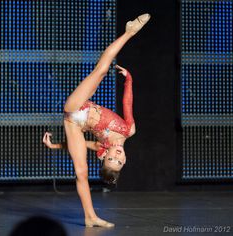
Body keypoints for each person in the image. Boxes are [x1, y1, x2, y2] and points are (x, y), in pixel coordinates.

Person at [43, 13, 151, 227]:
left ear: (105, 157)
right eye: (120, 162)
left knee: (81, 173)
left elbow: (84, 144)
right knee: (101, 71)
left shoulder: (103, 147)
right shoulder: (128, 130)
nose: (117, 158)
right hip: (79, 113)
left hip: (74, 115)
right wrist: (128, 80)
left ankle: (90, 216)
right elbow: (127, 104)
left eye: (112, 160)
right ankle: (129, 31)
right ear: (125, 160)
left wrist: (54, 146)